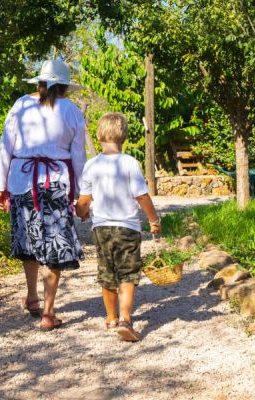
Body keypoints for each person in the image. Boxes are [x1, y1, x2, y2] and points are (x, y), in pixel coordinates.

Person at [0, 59, 87, 330]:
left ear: (41, 82)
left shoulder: (20, 105)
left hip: (22, 181)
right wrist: (82, 197)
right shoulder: (71, 111)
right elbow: (78, 158)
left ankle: (33, 298)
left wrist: (1, 186)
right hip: (55, 184)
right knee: (54, 245)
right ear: (65, 86)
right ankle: (47, 312)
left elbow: (5, 147)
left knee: (28, 241)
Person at [75, 112, 161, 342]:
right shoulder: (130, 163)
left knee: (107, 272)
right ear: (123, 136)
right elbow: (142, 196)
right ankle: (125, 319)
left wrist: (82, 213)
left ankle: (110, 318)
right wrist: (154, 220)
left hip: (101, 228)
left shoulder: (91, 165)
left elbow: (84, 201)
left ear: (99, 135)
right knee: (128, 274)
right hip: (127, 229)